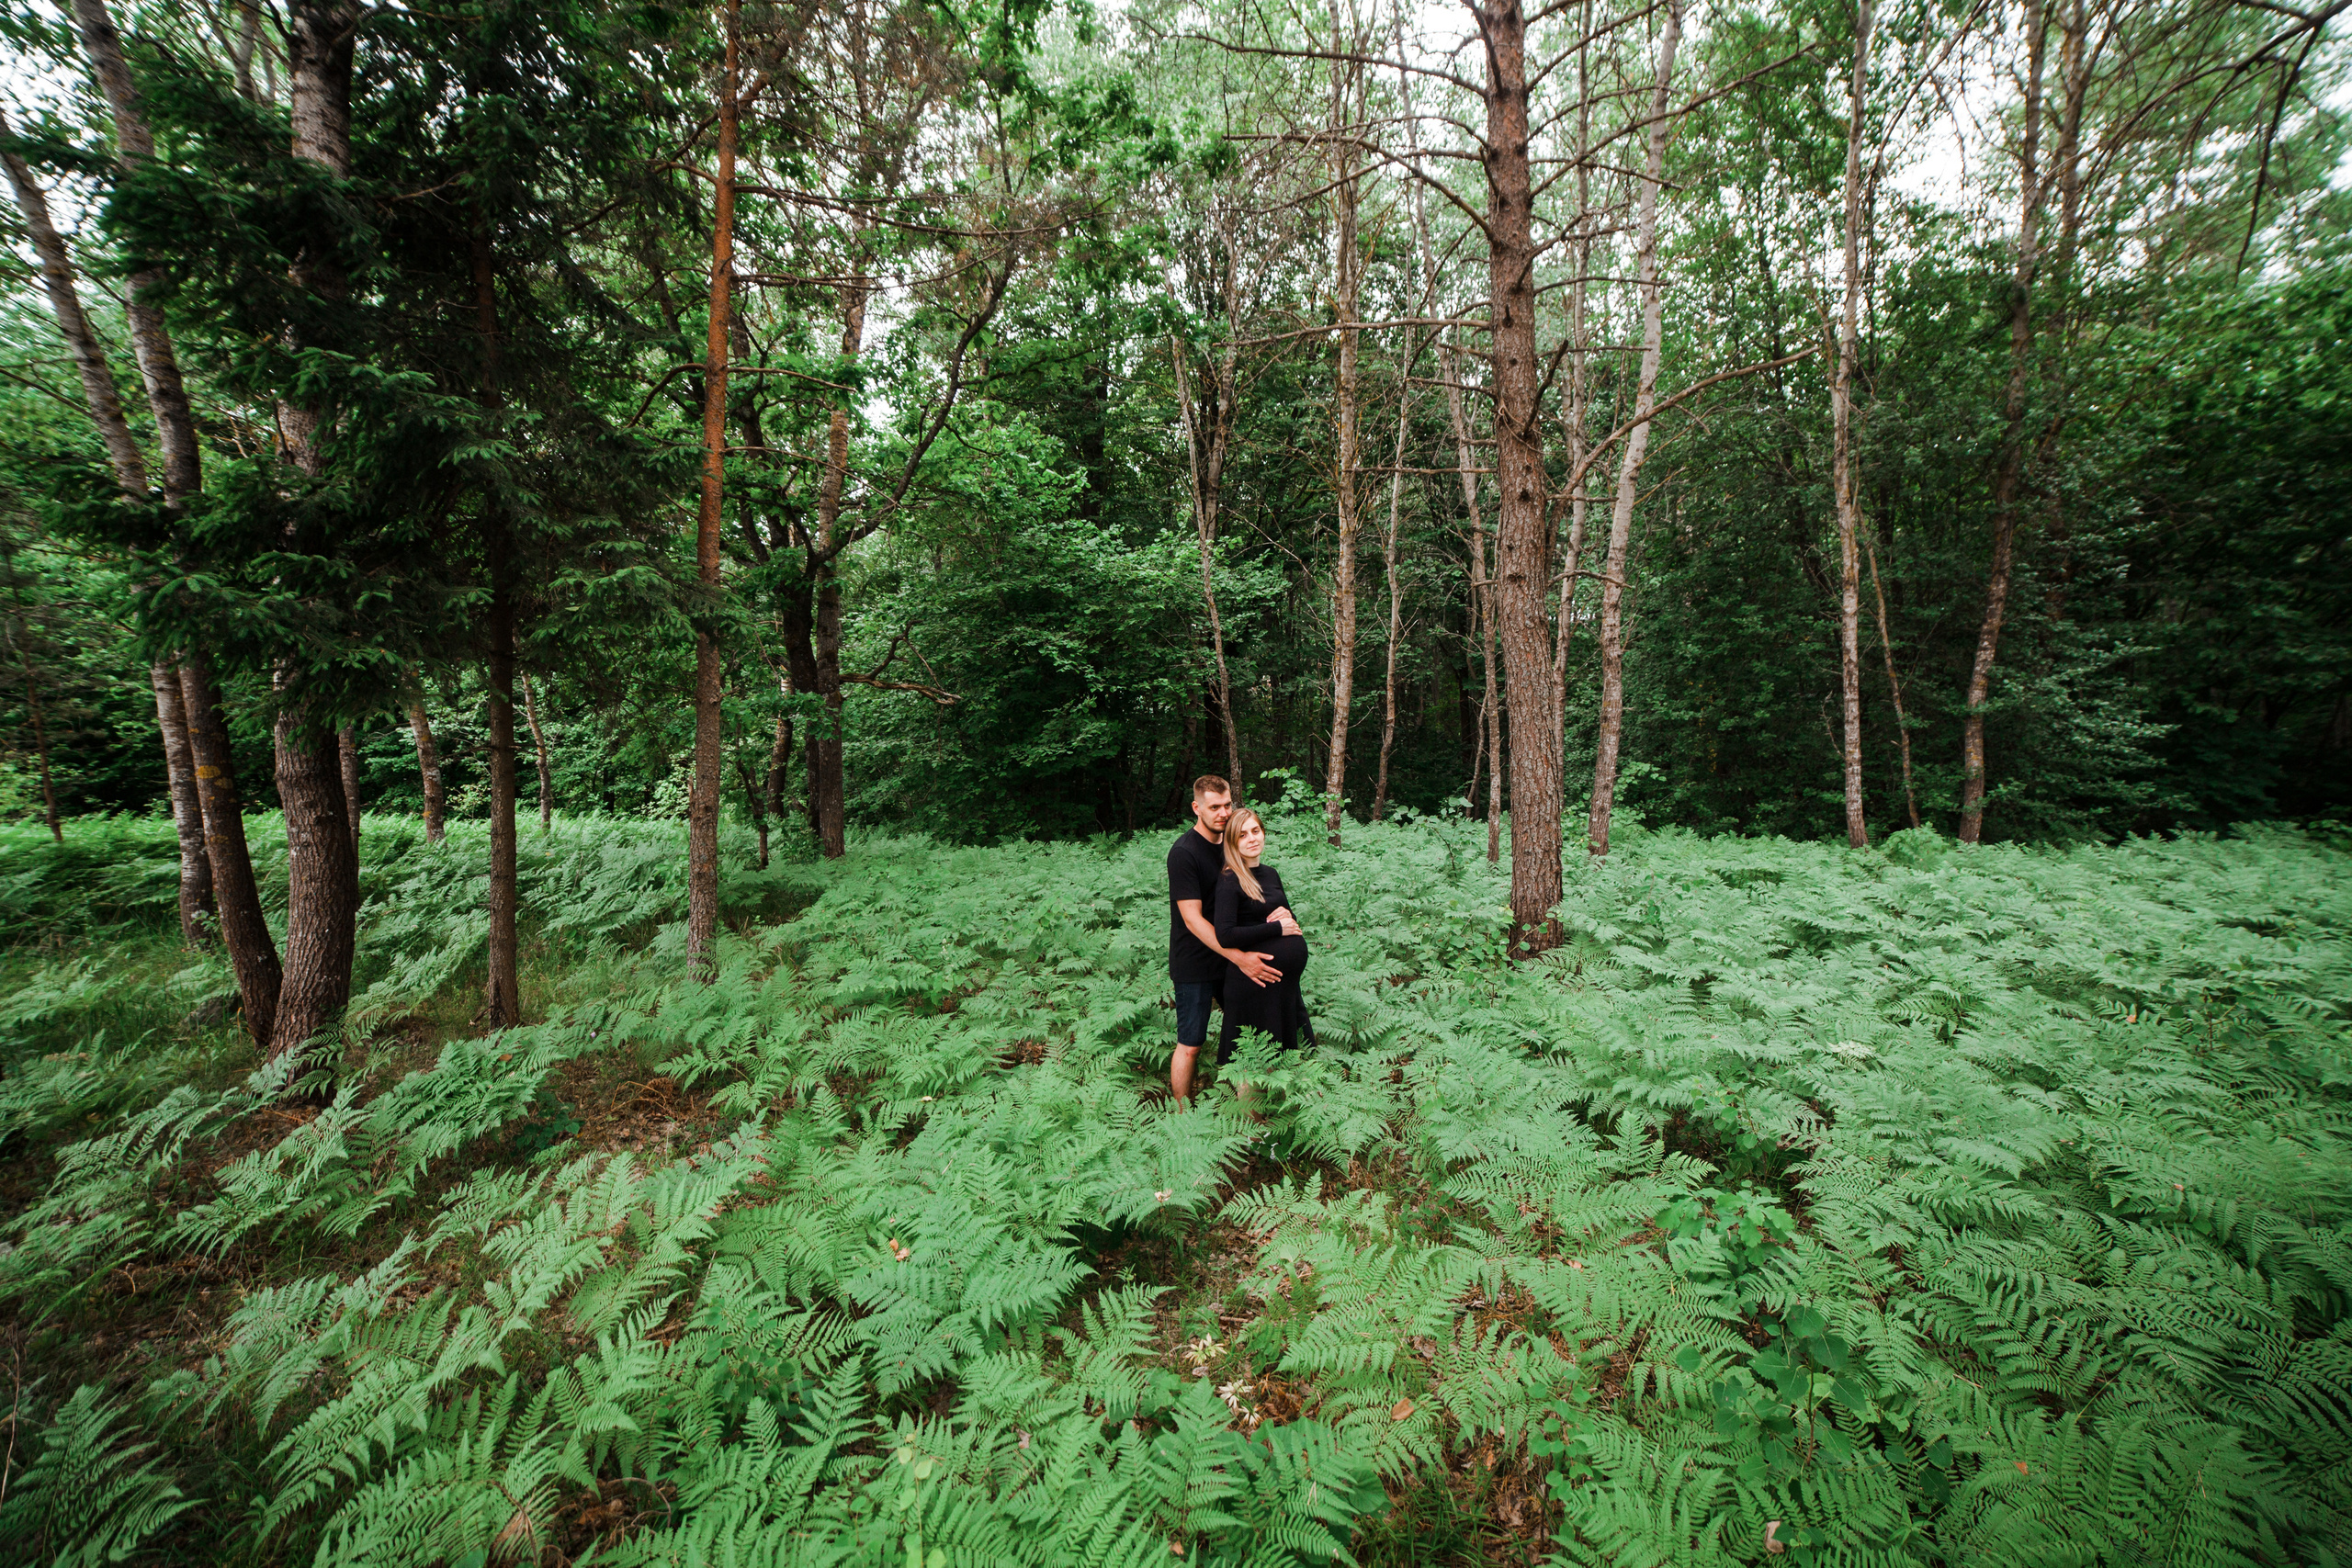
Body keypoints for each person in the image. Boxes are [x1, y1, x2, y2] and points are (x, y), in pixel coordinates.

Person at [1168, 775, 1278, 1109]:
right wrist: (1239, 957)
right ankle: (1183, 1116)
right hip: (1196, 962)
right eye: (1214, 807)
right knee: (1191, 1043)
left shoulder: (1232, 843)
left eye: (1228, 804)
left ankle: (1249, 1112)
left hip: (1231, 956)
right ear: (1196, 808)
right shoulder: (1184, 853)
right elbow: (1192, 920)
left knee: (1248, 1035)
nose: (1223, 813)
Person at [1212, 807, 1312, 1057]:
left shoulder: (1270, 874)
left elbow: (1288, 921)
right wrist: (1276, 927)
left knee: (1284, 1062)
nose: (1252, 839)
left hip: (1283, 987)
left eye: (1255, 831)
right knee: (1257, 1061)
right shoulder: (1229, 879)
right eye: (1243, 835)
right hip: (1254, 985)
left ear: (1263, 833)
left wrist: (1287, 917)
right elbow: (1225, 934)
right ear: (1232, 842)